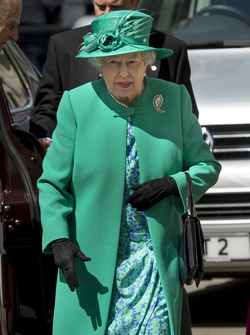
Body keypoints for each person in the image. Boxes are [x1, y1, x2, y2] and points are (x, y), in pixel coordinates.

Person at [37, 10, 221, 335]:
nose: (123, 73)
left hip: (155, 262)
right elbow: (53, 183)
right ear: (98, 65)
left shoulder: (173, 99)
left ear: (148, 61)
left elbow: (207, 166)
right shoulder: (76, 104)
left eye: (132, 62)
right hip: (92, 262)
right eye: (112, 63)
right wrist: (58, 237)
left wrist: (172, 184)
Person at [29, 0, 199, 152]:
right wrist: (47, 141)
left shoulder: (172, 49)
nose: (107, 14)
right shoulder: (64, 46)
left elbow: (185, 114)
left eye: (117, 7)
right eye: (101, 7)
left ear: (135, 4)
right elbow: (47, 107)